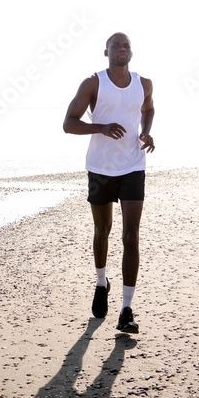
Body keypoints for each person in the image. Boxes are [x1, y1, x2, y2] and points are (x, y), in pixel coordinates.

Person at [63, 32, 154, 333]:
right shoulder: (93, 83)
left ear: (131, 53)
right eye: (117, 46)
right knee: (102, 230)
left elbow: (148, 108)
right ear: (107, 53)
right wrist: (101, 127)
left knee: (131, 236)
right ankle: (102, 282)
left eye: (127, 45)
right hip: (100, 168)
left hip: (132, 166)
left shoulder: (144, 84)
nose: (122, 49)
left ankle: (126, 310)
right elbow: (69, 124)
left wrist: (145, 132)